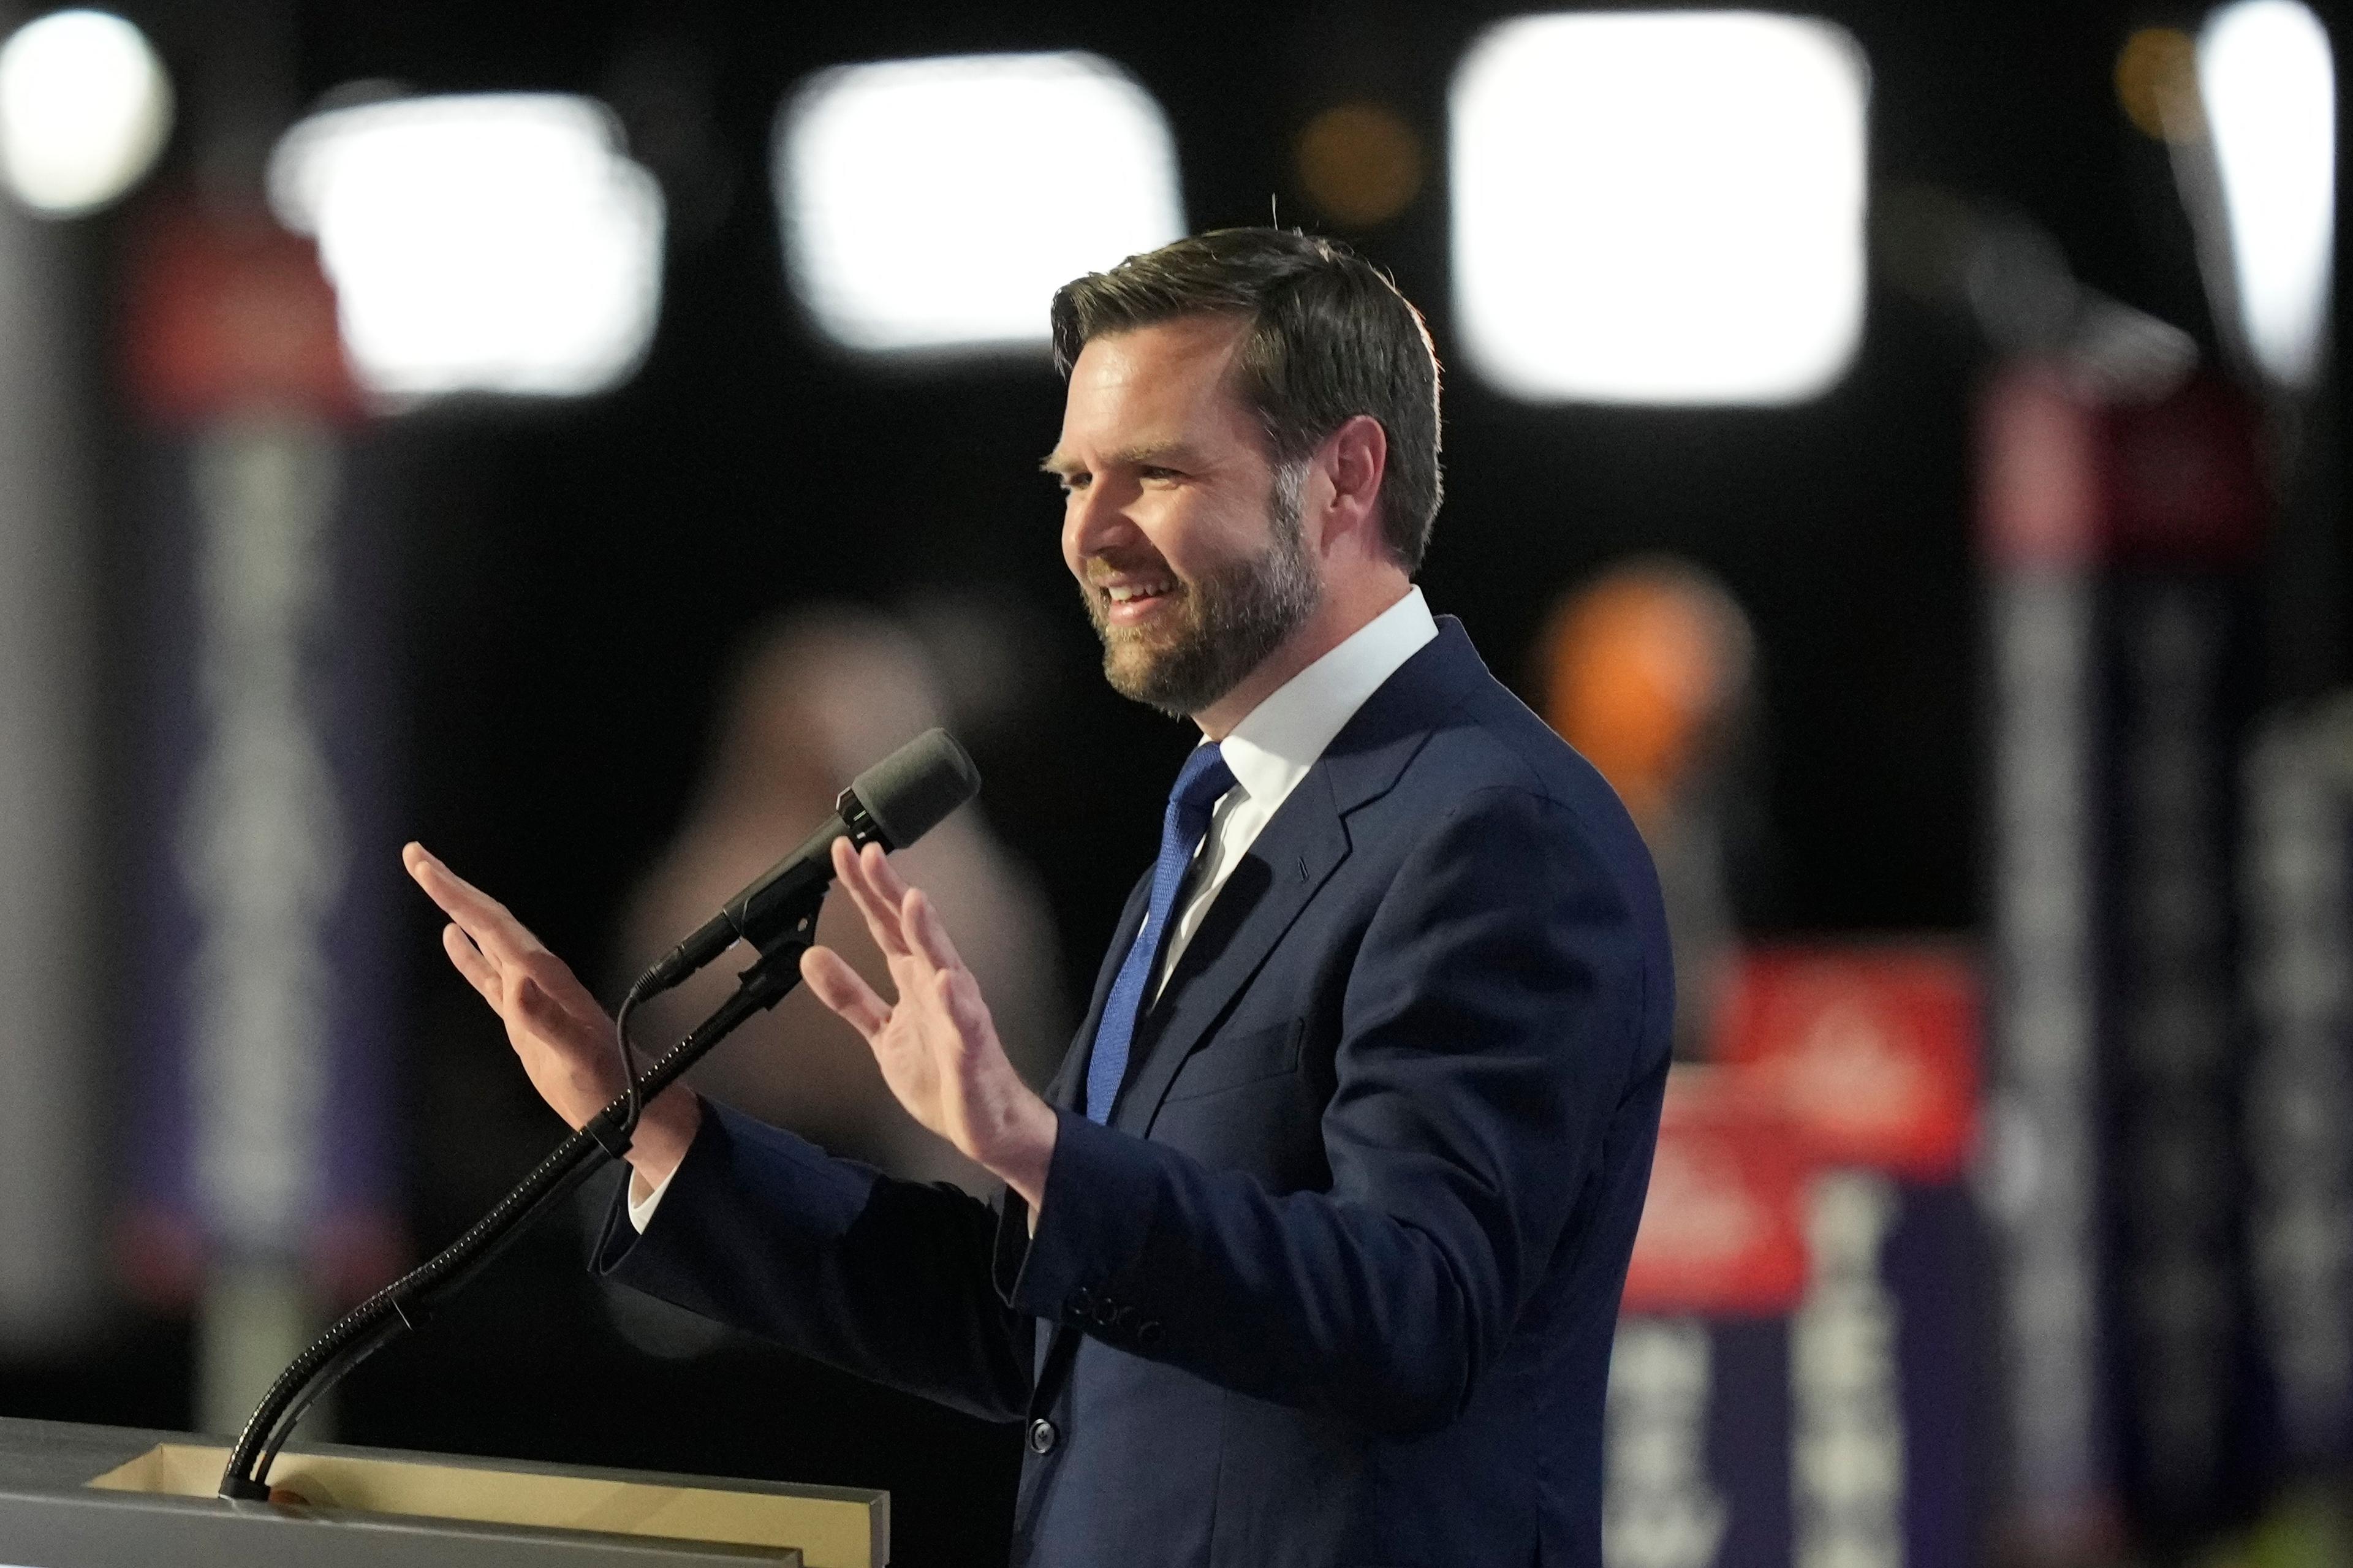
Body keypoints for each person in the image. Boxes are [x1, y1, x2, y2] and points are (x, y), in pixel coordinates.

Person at [405, 229, 1672, 1568]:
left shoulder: (1495, 831)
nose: (1088, 529)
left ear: (1345, 475)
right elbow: (1045, 1322)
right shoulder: (1224, 824)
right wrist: (651, 1121)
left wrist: (1032, 1146)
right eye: (1074, 476)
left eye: (1159, 471)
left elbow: (1412, 1313)